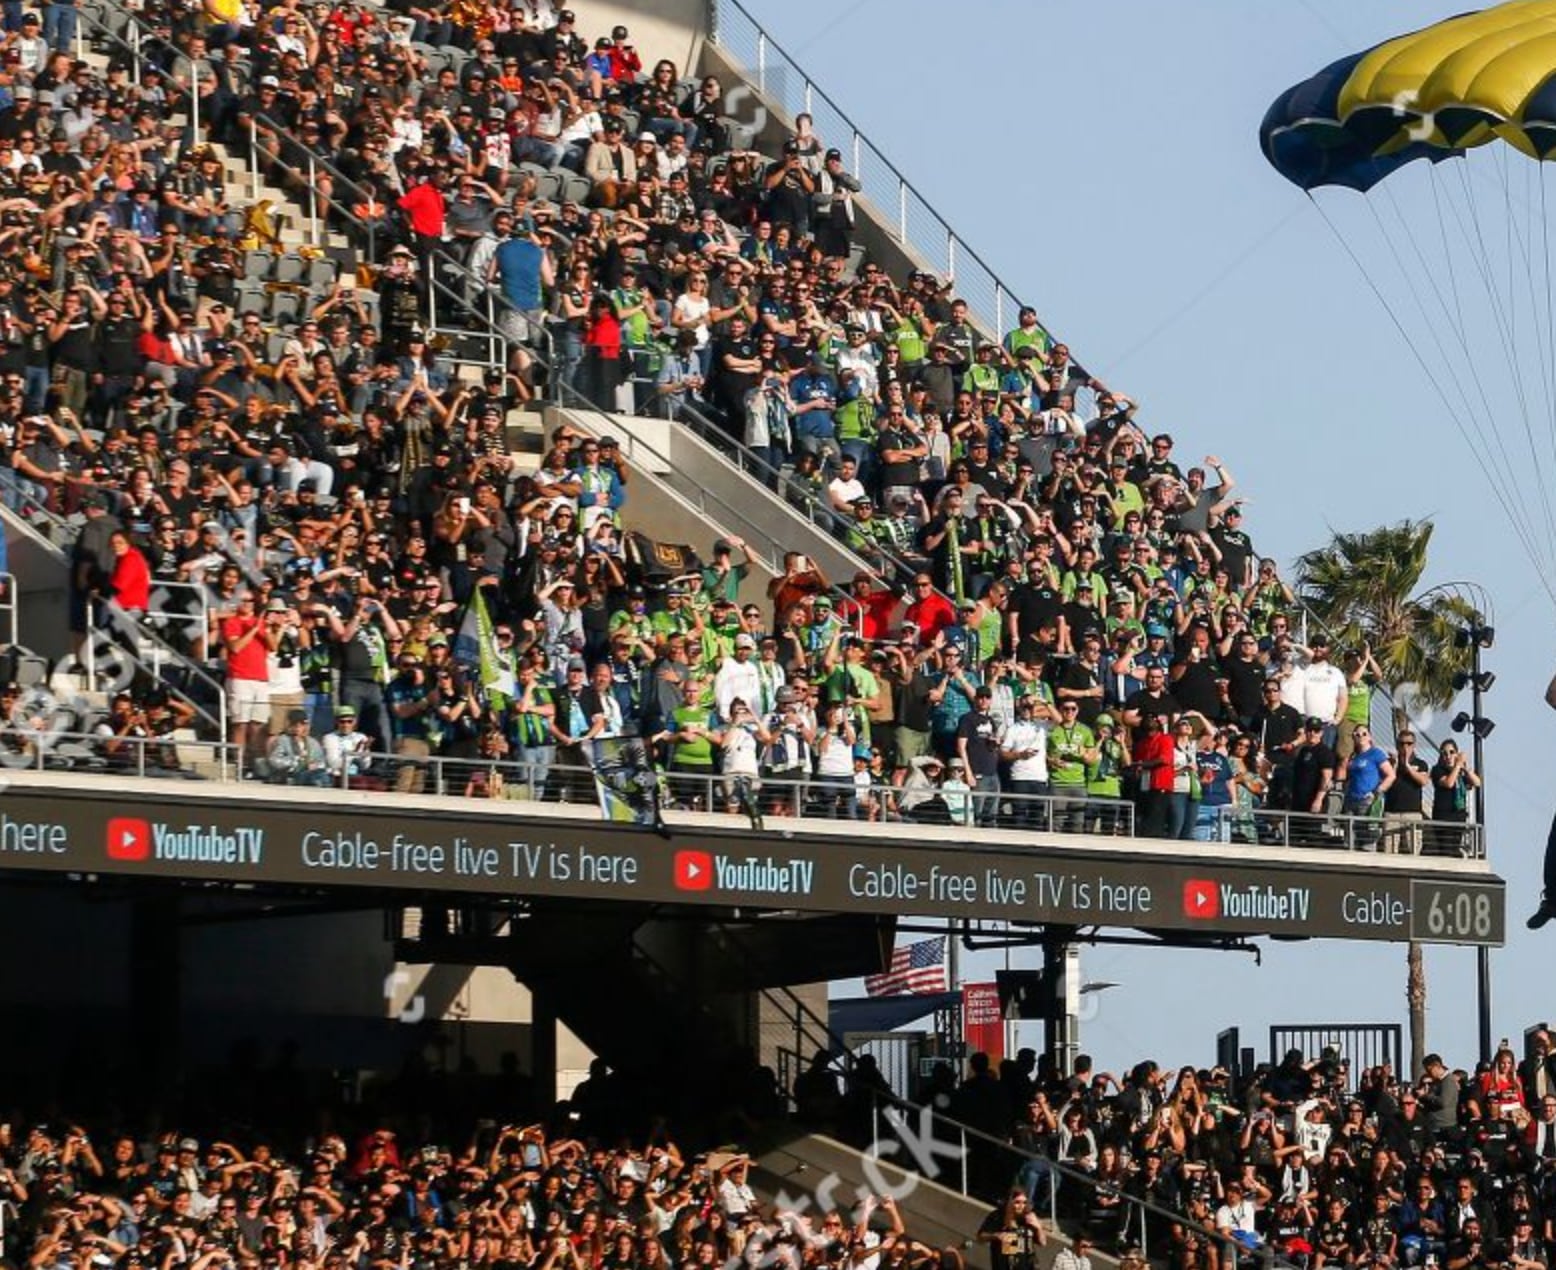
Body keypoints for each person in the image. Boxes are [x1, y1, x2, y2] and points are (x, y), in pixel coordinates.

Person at [978, 1190, 1048, 1270]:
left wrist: (1038, 1227)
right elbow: (980, 1236)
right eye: (1017, 1202)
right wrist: (996, 1235)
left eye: (1024, 1202)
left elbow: (1043, 1243)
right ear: (1010, 1203)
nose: (1021, 1206)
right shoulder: (998, 1216)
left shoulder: (1028, 1217)